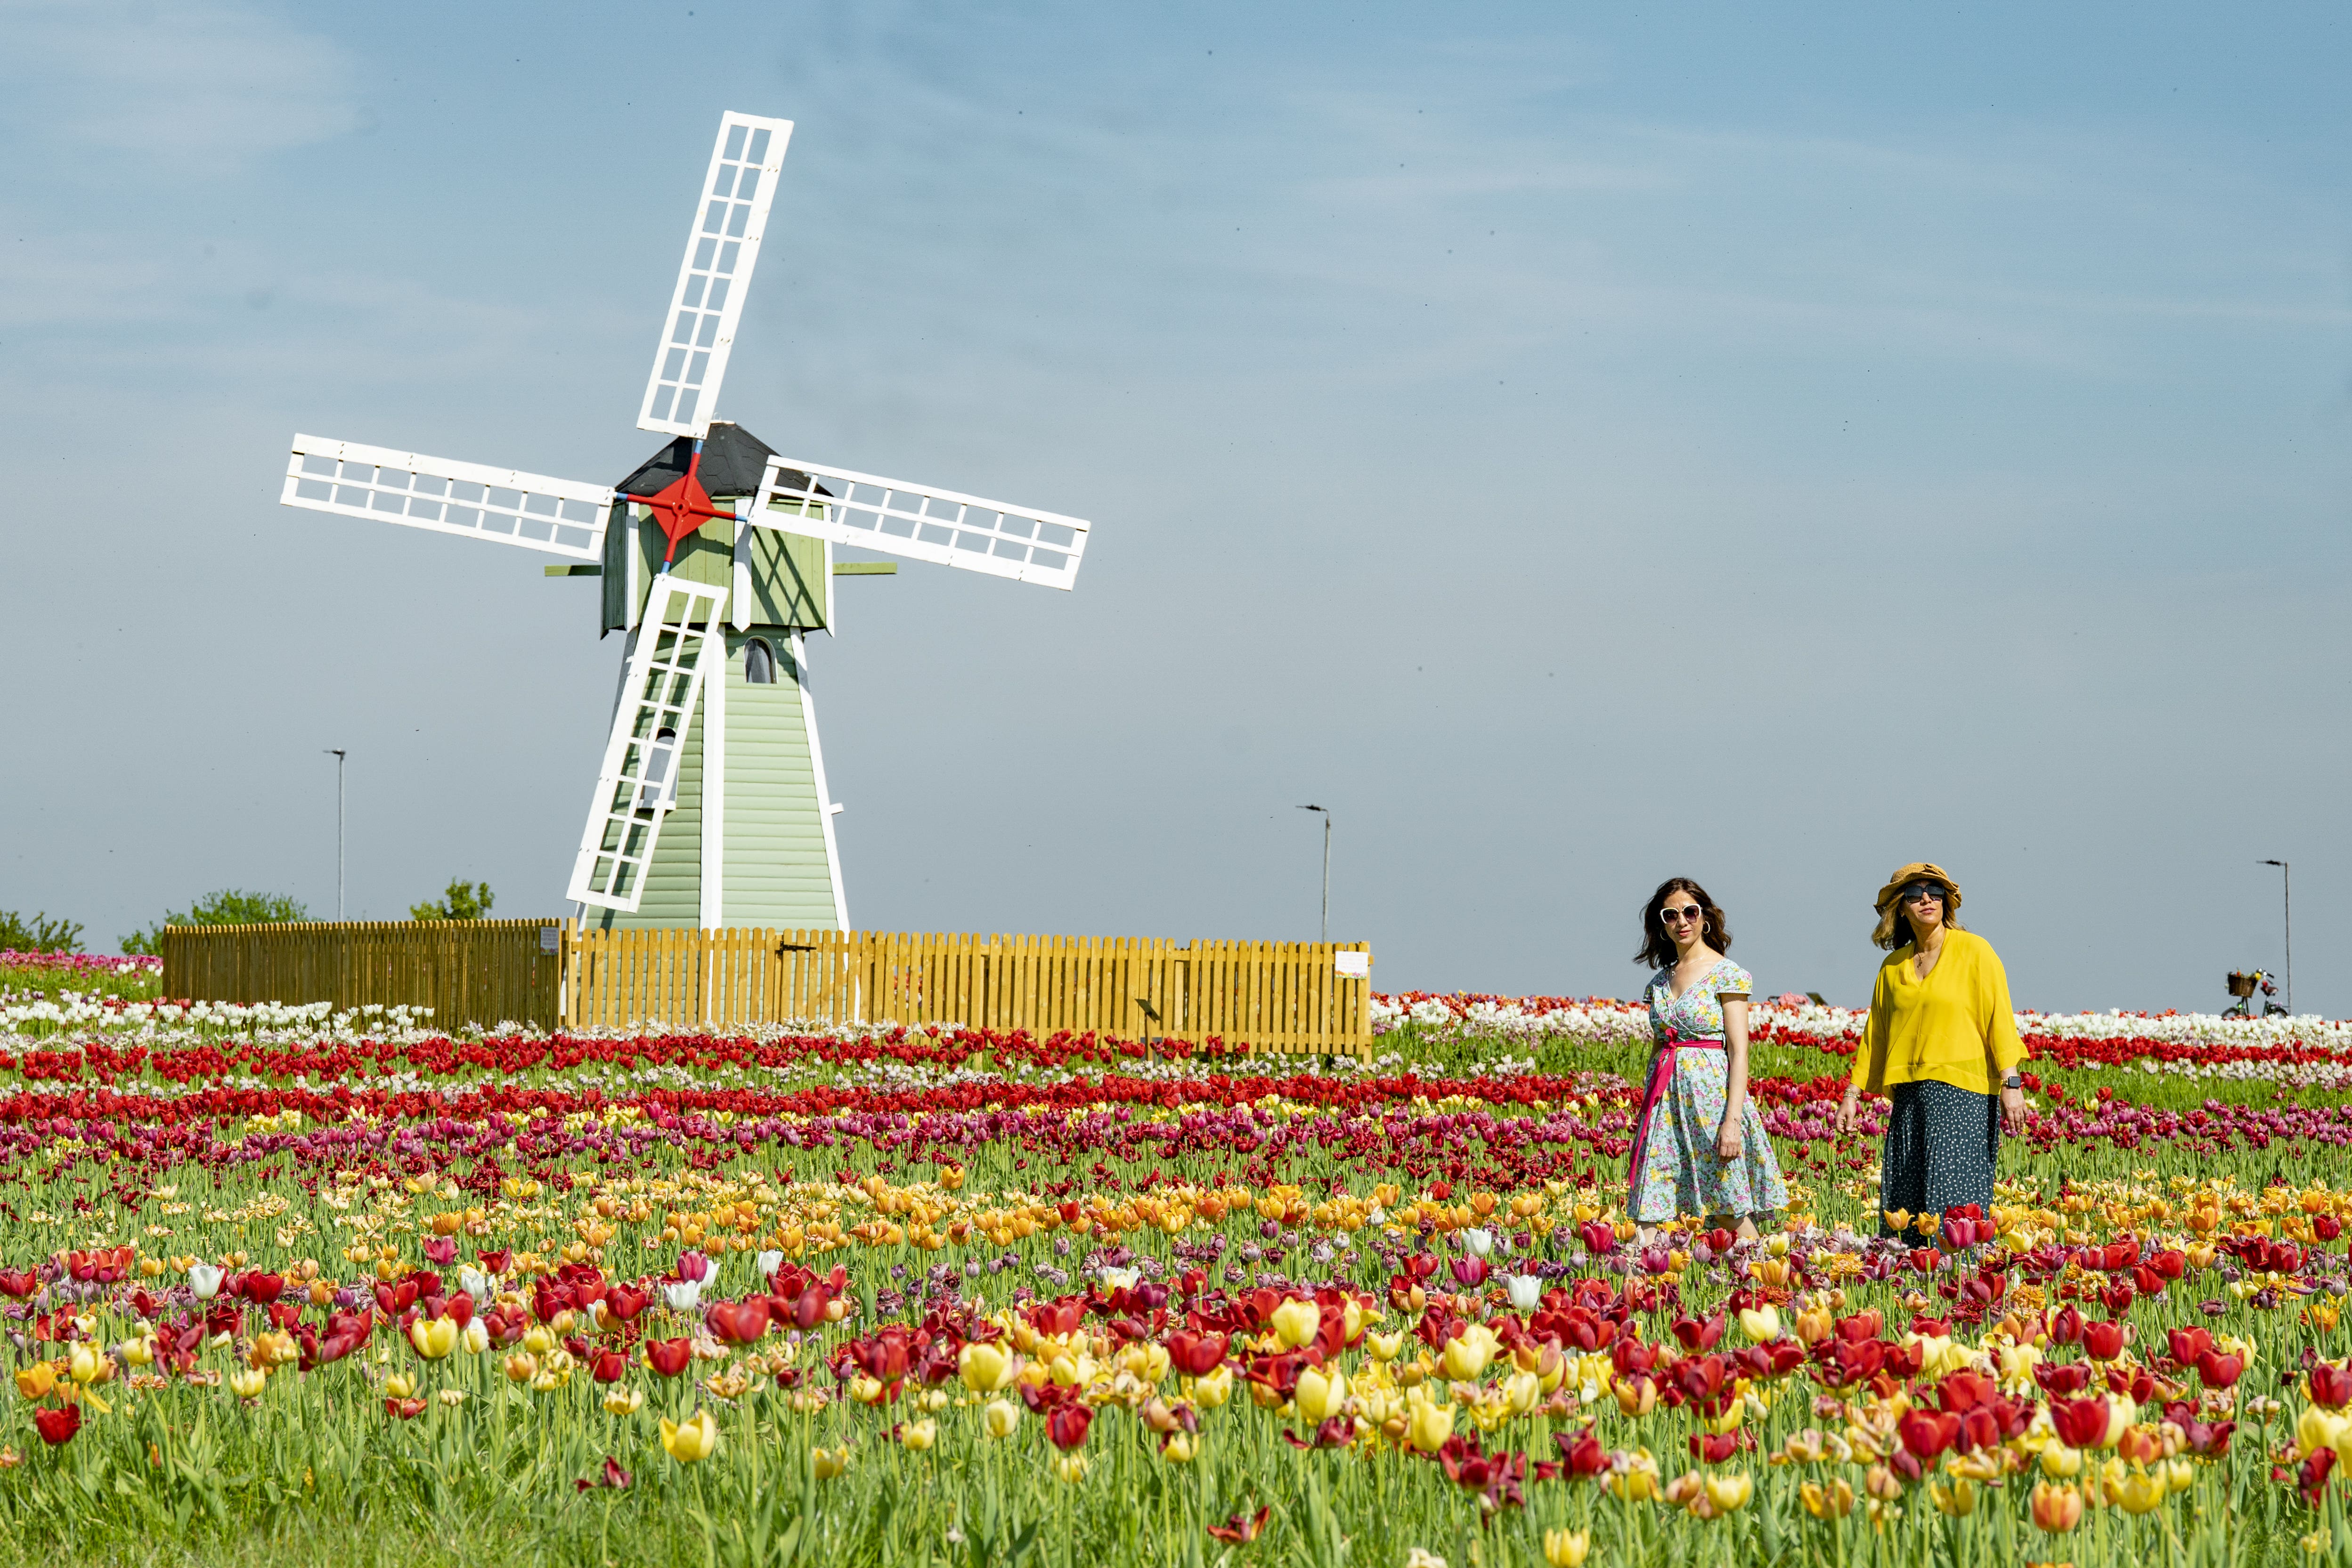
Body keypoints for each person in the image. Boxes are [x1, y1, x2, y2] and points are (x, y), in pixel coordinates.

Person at [1834, 862, 2028, 1243]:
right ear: (1900, 907)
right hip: (1908, 1097)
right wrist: (1851, 1095)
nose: (1926, 898)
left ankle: (1961, 1290)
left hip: (1963, 1095)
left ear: (1946, 902)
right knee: (1905, 1204)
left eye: (1934, 891)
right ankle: (1911, 1289)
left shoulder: (1975, 951)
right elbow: (1875, 1036)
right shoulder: (1892, 967)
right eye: (1914, 893)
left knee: (1954, 1205)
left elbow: (1999, 1019)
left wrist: (2011, 1081)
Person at [1626, 877, 1789, 1240]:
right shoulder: (1658, 982)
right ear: (1661, 923)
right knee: (1648, 1205)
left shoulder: (1726, 974)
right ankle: (1635, 1289)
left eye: (1690, 911)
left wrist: (1732, 1121)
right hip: (1664, 1102)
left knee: (1726, 1206)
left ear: (1704, 918)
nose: (1681, 920)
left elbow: (1739, 1050)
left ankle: (1766, 1277)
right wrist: (1647, 1106)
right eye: (1671, 914)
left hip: (1711, 1101)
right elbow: (1658, 1045)